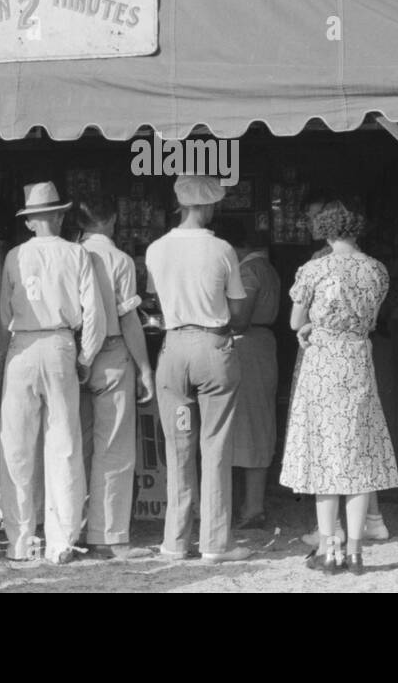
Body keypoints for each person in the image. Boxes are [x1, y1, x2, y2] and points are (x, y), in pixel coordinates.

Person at [281, 201, 398, 575]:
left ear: (326, 232)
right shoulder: (376, 270)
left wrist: (310, 326)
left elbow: (295, 320)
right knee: (359, 457)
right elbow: (371, 319)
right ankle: (356, 551)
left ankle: (329, 549)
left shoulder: (314, 269)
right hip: (358, 362)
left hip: (323, 364)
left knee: (324, 456)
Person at [0, 182, 105, 564]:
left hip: (22, 345)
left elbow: (3, 315)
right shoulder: (77, 253)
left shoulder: (14, 256)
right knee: (63, 445)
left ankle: (20, 540)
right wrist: (87, 357)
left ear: (29, 222)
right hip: (61, 343)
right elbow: (94, 314)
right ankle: (61, 540)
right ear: (59, 216)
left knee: (17, 447)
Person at [145, 175, 251, 563]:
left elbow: (155, 299)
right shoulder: (221, 249)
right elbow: (238, 310)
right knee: (215, 446)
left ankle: (174, 541)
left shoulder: (156, 249)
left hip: (173, 350)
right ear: (207, 206)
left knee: (178, 447)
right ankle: (214, 542)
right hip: (213, 347)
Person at [74, 195, 155, 560]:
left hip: (71, 353)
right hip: (110, 353)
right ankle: (106, 535)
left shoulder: (67, 255)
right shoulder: (120, 260)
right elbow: (128, 319)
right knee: (114, 446)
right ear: (113, 220)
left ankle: (67, 526)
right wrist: (145, 367)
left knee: (73, 444)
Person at [215, 220, 281, 530]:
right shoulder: (264, 267)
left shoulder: (248, 271)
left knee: (250, 426)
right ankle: (251, 505)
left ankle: (252, 507)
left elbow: (240, 319)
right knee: (257, 424)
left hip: (248, 346)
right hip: (261, 345)